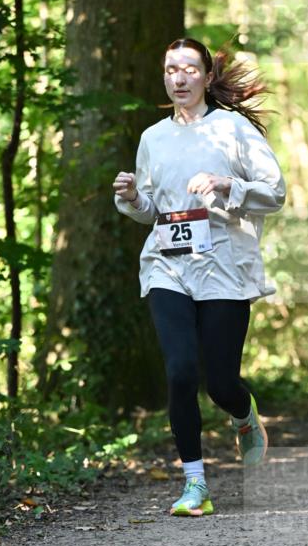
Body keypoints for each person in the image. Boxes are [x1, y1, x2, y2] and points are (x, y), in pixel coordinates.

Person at [112, 39, 285, 517]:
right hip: (167, 265)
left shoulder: (233, 129)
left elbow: (275, 192)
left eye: (190, 69)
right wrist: (132, 197)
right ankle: (195, 484)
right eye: (171, 69)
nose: (180, 77)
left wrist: (230, 184)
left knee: (221, 383)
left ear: (207, 78)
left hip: (224, 266)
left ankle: (243, 414)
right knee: (180, 371)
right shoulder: (153, 138)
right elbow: (151, 209)